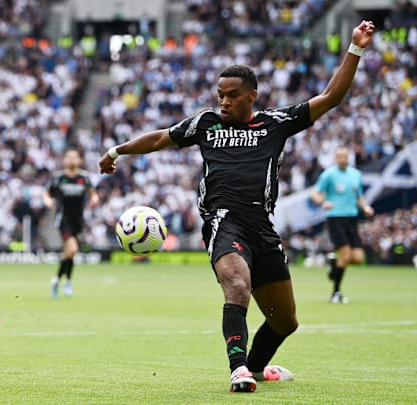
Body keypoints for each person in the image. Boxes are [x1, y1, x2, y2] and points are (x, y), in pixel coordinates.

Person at [98, 21, 375, 393]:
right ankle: (239, 368)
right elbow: (161, 137)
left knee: (284, 321)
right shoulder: (206, 123)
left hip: (261, 225)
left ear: (251, 96)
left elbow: (330, 97)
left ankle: (257, 367)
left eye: (231, 95)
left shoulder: (276, 123)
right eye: (220, 95)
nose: (223, 101)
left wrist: (355, 48)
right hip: (223, 220)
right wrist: (117, 151)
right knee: (237, 285)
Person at [310, 147, 374, 303]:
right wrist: (323, 202)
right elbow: (315, 193)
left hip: (351, 218)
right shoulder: (329, 174)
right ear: (336, 158)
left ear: (349, 157)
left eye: (344, 156)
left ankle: (334, 265)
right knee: (345, 256)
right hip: (335, 217)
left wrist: (365, 207)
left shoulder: (356, 175)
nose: (342, 159)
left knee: (358, 258)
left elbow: (359, 196)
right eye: (339, 156)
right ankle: (336, 293)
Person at [43, 147, 99, 298]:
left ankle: (57, 280)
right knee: (72, 249)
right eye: (69, 157)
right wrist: (48, 200)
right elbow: (47, 193)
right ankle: (67, 282)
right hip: (63, 219)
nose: (72, 160)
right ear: (64, 160)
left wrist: (94, 200)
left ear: (79, 160)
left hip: (78, 220)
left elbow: (93, 194)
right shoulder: (58, 177)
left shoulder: (84, 178)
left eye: (75, 157)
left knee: (69, 254)